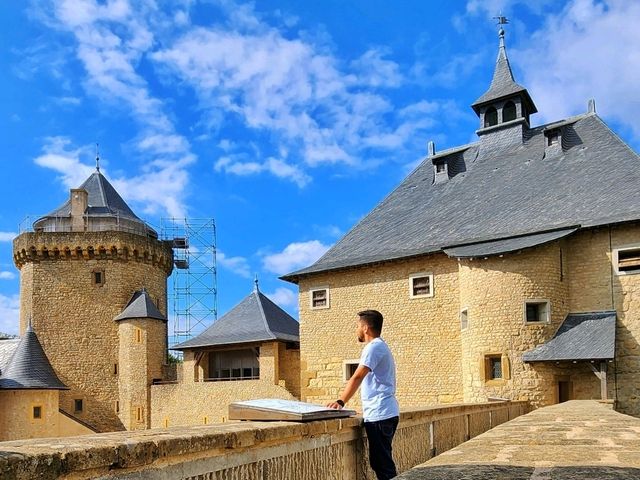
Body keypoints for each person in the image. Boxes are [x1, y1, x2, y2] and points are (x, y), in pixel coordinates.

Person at [327, 309, 399, 480]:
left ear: (366, 328)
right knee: (381, 462)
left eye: (358, 326)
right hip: (384, 412)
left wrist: (341, 401)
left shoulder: (373, 347)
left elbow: (358, 375)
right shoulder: (380, 346)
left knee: (383, 465)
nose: (356, 329)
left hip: (380, 414)